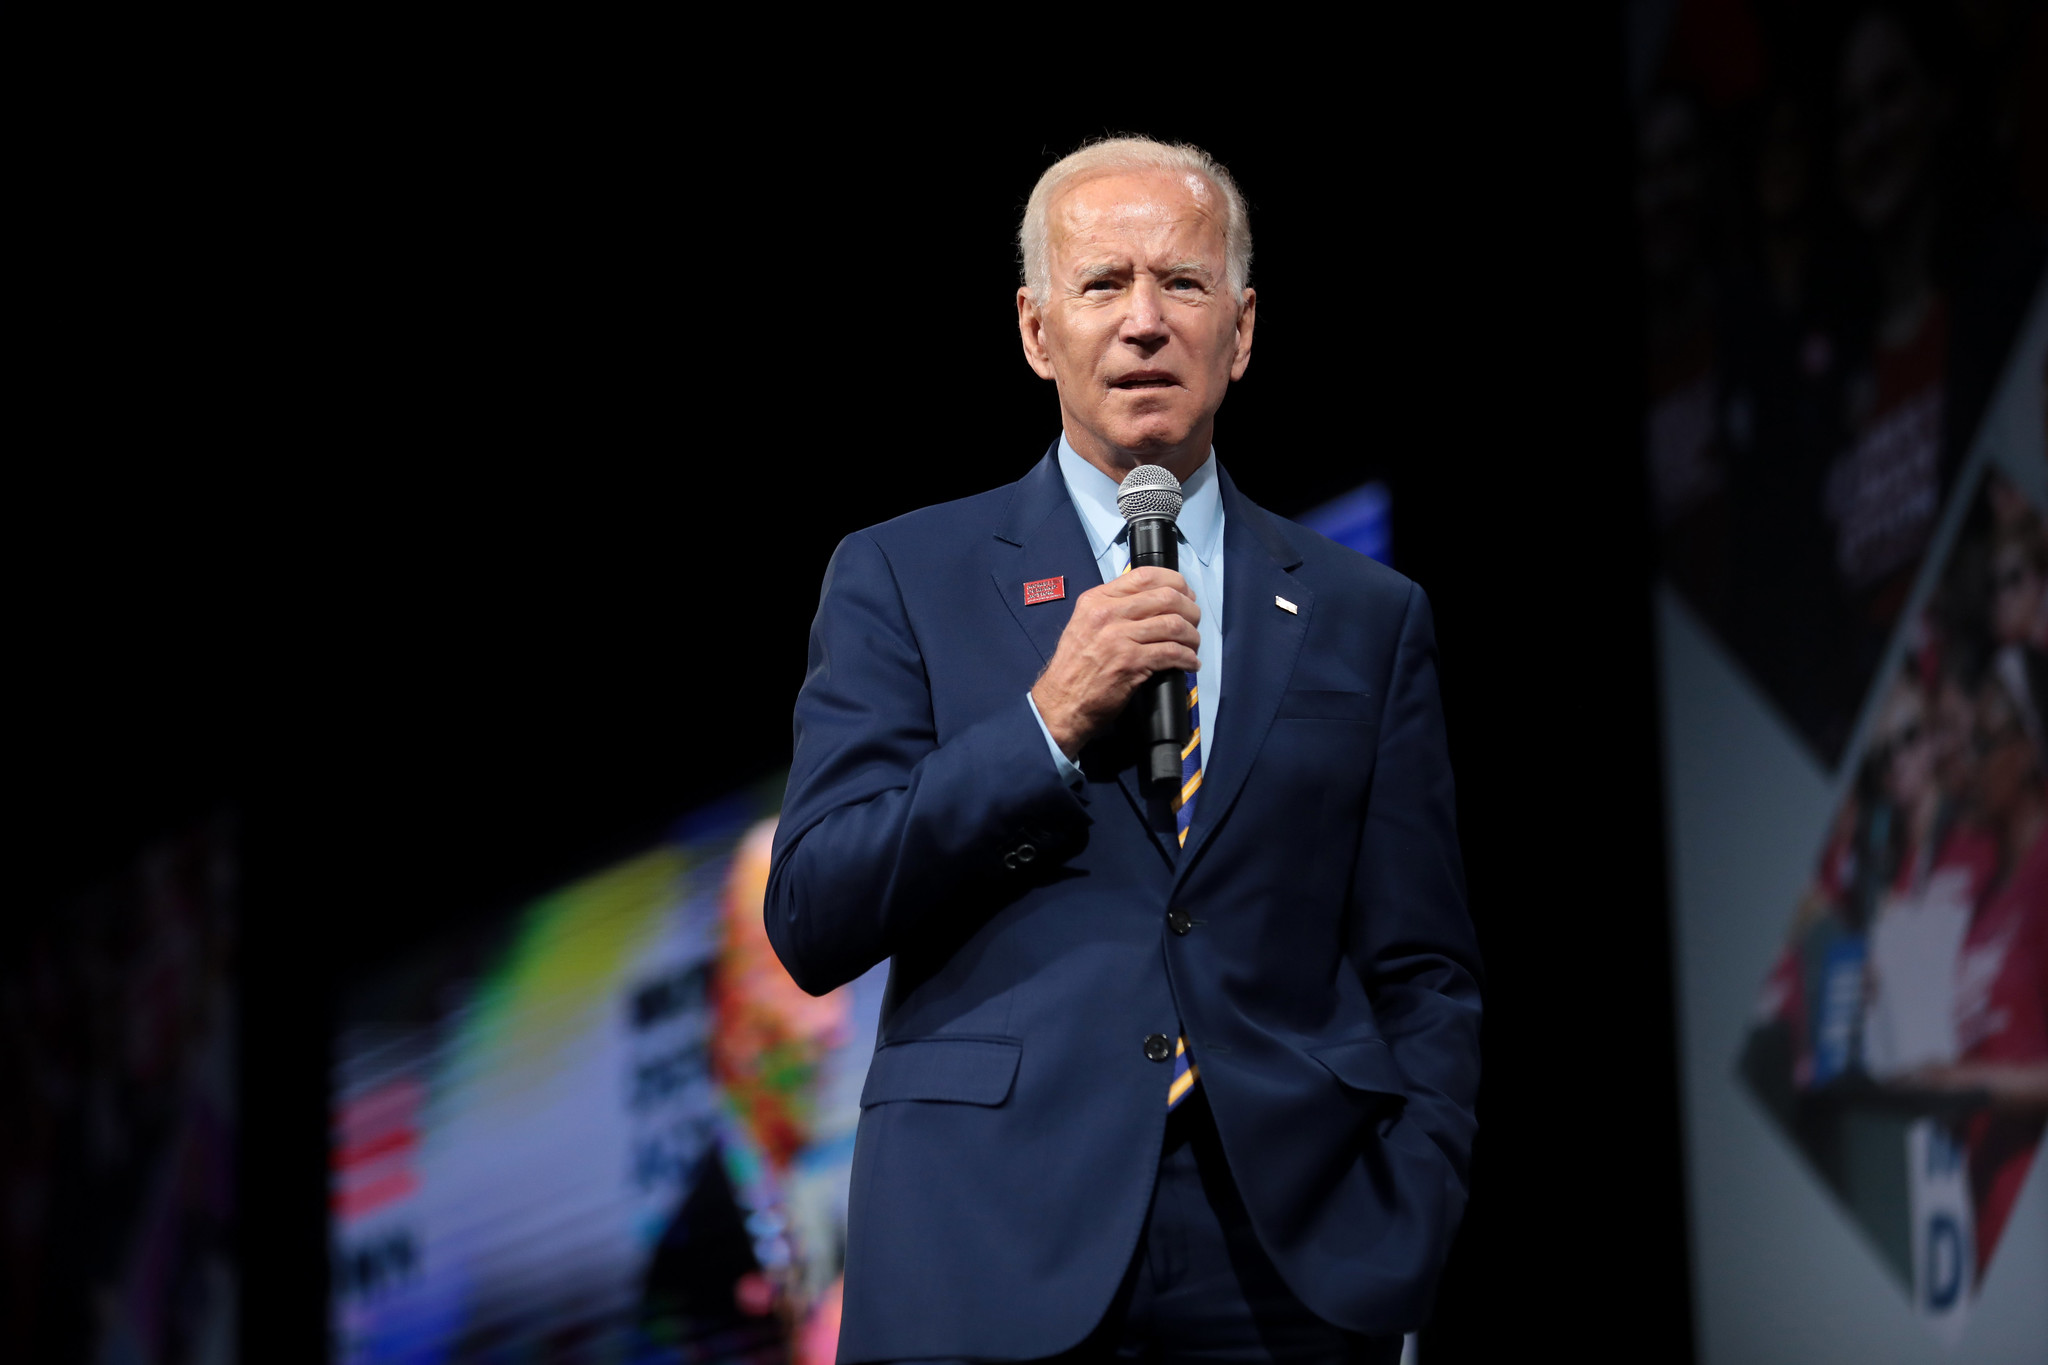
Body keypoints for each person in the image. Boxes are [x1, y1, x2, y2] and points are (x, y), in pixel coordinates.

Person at [764, 136, 1481, 1363]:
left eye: (1181, 284)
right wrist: (1044, 725)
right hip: (986, 1241)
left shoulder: (1368, 615)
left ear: (1241, 331)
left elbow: (1421, 966)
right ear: (1037, 332)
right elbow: (814, 908)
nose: (1143, 320)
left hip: (1285, 1255)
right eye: (1102, 285)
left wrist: (1406, 1207)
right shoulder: (901, 575)